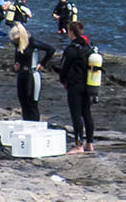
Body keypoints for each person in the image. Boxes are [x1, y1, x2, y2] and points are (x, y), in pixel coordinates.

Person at [57, 21, 97, 154]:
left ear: (71, 32)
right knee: (87, 114)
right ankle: (90, 144)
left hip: (75, 85)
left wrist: (63, 81)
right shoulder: (89, 48)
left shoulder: (71, 49)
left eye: (68, 31)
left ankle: (79, 145)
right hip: (89, 85)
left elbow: (64, 68)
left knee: (76, 115)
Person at [10, 22, 55, 122]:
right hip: (21, 75)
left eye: (16, 39)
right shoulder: (17, 45)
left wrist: (42, 63)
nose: (15, 41)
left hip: (32, 76)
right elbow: (18, 58)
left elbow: (51, 49)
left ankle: (35, 125)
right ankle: (26, 123)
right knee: (23, 102)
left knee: (32, 103)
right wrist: (16, 66)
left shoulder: (32, 43)